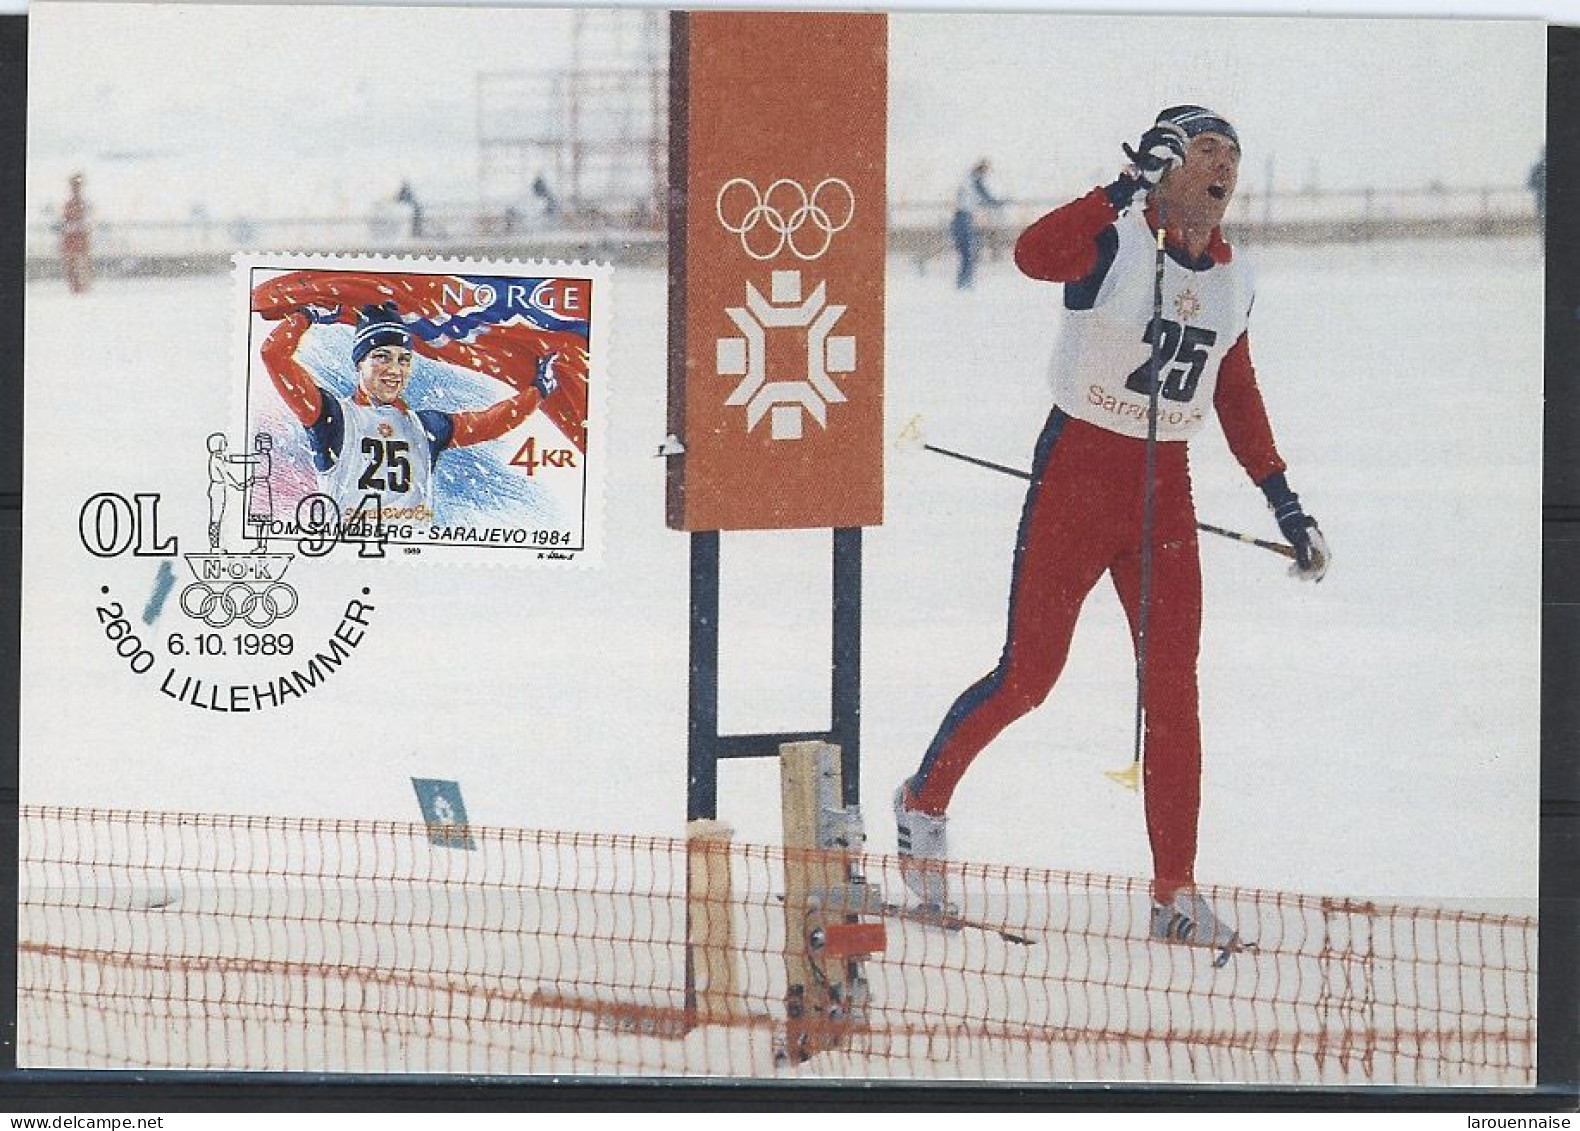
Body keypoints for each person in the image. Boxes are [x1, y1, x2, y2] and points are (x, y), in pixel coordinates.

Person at [895, 106, 1330, 958]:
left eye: (1233, 155)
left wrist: (1285, 501)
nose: (1225, 167)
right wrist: (1122, 187)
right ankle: (923, 800)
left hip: (1164, 491)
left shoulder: (1233, 282)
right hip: (1077, 477)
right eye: (1206, 149)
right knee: (1030, 676)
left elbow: (1235, 395)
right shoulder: (1115, 243)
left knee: (1173, 689)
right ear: (1168, 164)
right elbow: (1029, 255)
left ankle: (1175, 889)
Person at [260, 301, 559, 526]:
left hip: (412, 559)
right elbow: (273, 354)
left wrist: (538, 391)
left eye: (404, 360)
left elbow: (492, 422)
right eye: (381, 357)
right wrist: (306, 316)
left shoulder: (426, 425)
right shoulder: (333, 416)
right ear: (359, 364)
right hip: (350, 552)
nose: (394, 370)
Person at [951, 158, 1006, 289]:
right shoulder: (974, 181)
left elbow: (974, 198)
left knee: (967, 252)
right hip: (963, 218)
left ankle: (963, 283)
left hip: (961, 218)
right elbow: (985, 196)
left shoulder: (967, 181)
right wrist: (998, 203)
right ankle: (965, 284)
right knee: (969, 252)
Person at [60, 173, 92, 294]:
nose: (76, 189)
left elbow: (86, 222)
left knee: (80, 263)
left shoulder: (83, 205)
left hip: (79, 238)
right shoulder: (70, 205)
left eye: (77, 186)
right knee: (73, 264)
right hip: (72, 238)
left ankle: (81, 287)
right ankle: (76, 287)